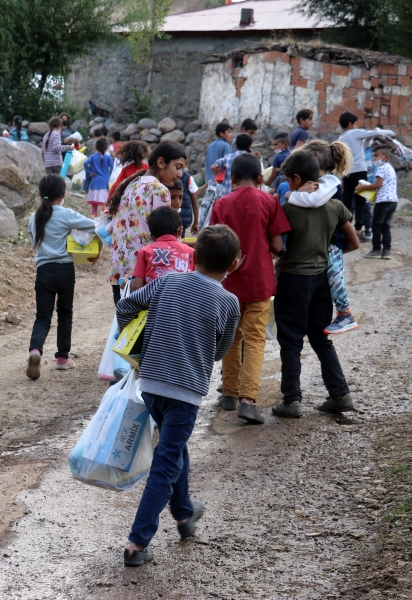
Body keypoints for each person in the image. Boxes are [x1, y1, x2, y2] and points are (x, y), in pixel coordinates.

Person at [118, 225, 242, 567]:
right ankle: (136, 543)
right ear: (233, 265)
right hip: (186, 392)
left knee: (174, 447)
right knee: (166, 462)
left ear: (195, 256)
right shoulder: (229, 302)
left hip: (152, 385)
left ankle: (185, 514)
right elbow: (219, 352)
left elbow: (125, 307)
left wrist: (141, 347)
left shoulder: (168, 281)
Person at [271, 152, 359, 418]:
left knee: (290, 341)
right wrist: (323, 254)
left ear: (297, 179)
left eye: (288, 180)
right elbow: (354, 243)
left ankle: (292, 400)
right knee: (321, 339)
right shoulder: (335, 207)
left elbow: (277, 247)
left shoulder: (287, 208)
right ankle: (340, 394)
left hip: (293, 280)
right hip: (321, 281)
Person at [210, 154, 291, 424]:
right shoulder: (270, 201)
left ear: (232, 179)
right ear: (260, 179)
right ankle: (247, 400)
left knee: (231, 338)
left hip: (228, 283)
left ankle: (230, 394)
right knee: (255, 339)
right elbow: (278, 246)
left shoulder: (222, 203)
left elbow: (213, 243)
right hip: (259, 281)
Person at [25, 175, 98, 379]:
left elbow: (34, 245)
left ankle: (35, 351)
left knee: (42, 317)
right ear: (63, 194)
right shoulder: (65, 214)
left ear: (41, 194)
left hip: (44, 271)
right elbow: (93, 226)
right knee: (65, 313)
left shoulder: (34, 217)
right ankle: (62, 358)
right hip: (65, 270)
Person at [288, 139, 360, 335]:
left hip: (332, 241)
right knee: (329, 277)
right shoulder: (319, 182)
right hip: (324, 240)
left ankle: (346, 314)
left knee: (335, 277)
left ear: (315, 161)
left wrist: (291, 196)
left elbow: (312, 201)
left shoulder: (330, 182)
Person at [105, 141, 184, 305]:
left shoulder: (129, 186)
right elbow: (166, 240)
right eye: (178, 167)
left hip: (120, 275)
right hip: (144, 278)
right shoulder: (159, 190)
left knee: (125, 329)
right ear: (161, 162)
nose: (180, 174)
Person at [337, 111, 394, 242]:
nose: (356, 126)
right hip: (359, 171)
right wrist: (390, 133)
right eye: (355, 123)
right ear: (350, 124)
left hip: (347, 172)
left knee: (347, 201)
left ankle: (345, 229)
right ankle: (358, 230)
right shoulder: (354, 132)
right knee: (361, 200)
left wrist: (368, 143)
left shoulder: (340, 139)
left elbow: (357, 150)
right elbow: (375, 133)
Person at [129, 206, 194, 291]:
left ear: (152, 236)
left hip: (154, 303)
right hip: (183, 302)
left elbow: (136, 286)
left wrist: (127, 283)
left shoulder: (145, 251)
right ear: (180, 230)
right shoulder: (190, 252)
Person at [356, 146, 397, 260]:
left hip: (383, 201)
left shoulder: (382, 168)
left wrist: (363, 188)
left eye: (376, 155)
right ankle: (387, 251)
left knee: (376, 225)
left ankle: (376, 250)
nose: (374, 158)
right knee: (386, 226)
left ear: (386, 157)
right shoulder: (390, 168)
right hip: (393, 201)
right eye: (373, 155)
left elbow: (377, 185)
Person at [211, 134, 252, 198]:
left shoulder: (228, 157)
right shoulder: (251, 159)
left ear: (236, 147)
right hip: (243, 194)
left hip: (226, 194)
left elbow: (213, 166)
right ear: (250, 147)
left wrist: (217, 176)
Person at [84, 138, 114, 216]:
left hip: (95, 180)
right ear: (106, 148)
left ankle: (94, 215)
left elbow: (85, 163)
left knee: (95, 201)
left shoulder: (93, 156)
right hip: (105, 181)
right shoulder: (108, 157)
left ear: (96, 147)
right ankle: (103, 215)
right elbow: (113, 167)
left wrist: (89, 172)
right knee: (104, 200)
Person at [178, 169, 200, 236]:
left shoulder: (188, 178)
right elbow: (195, 202)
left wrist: (196, 222)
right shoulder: (188, 178)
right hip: (180, 218)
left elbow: (195, 201)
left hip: (182, 219)